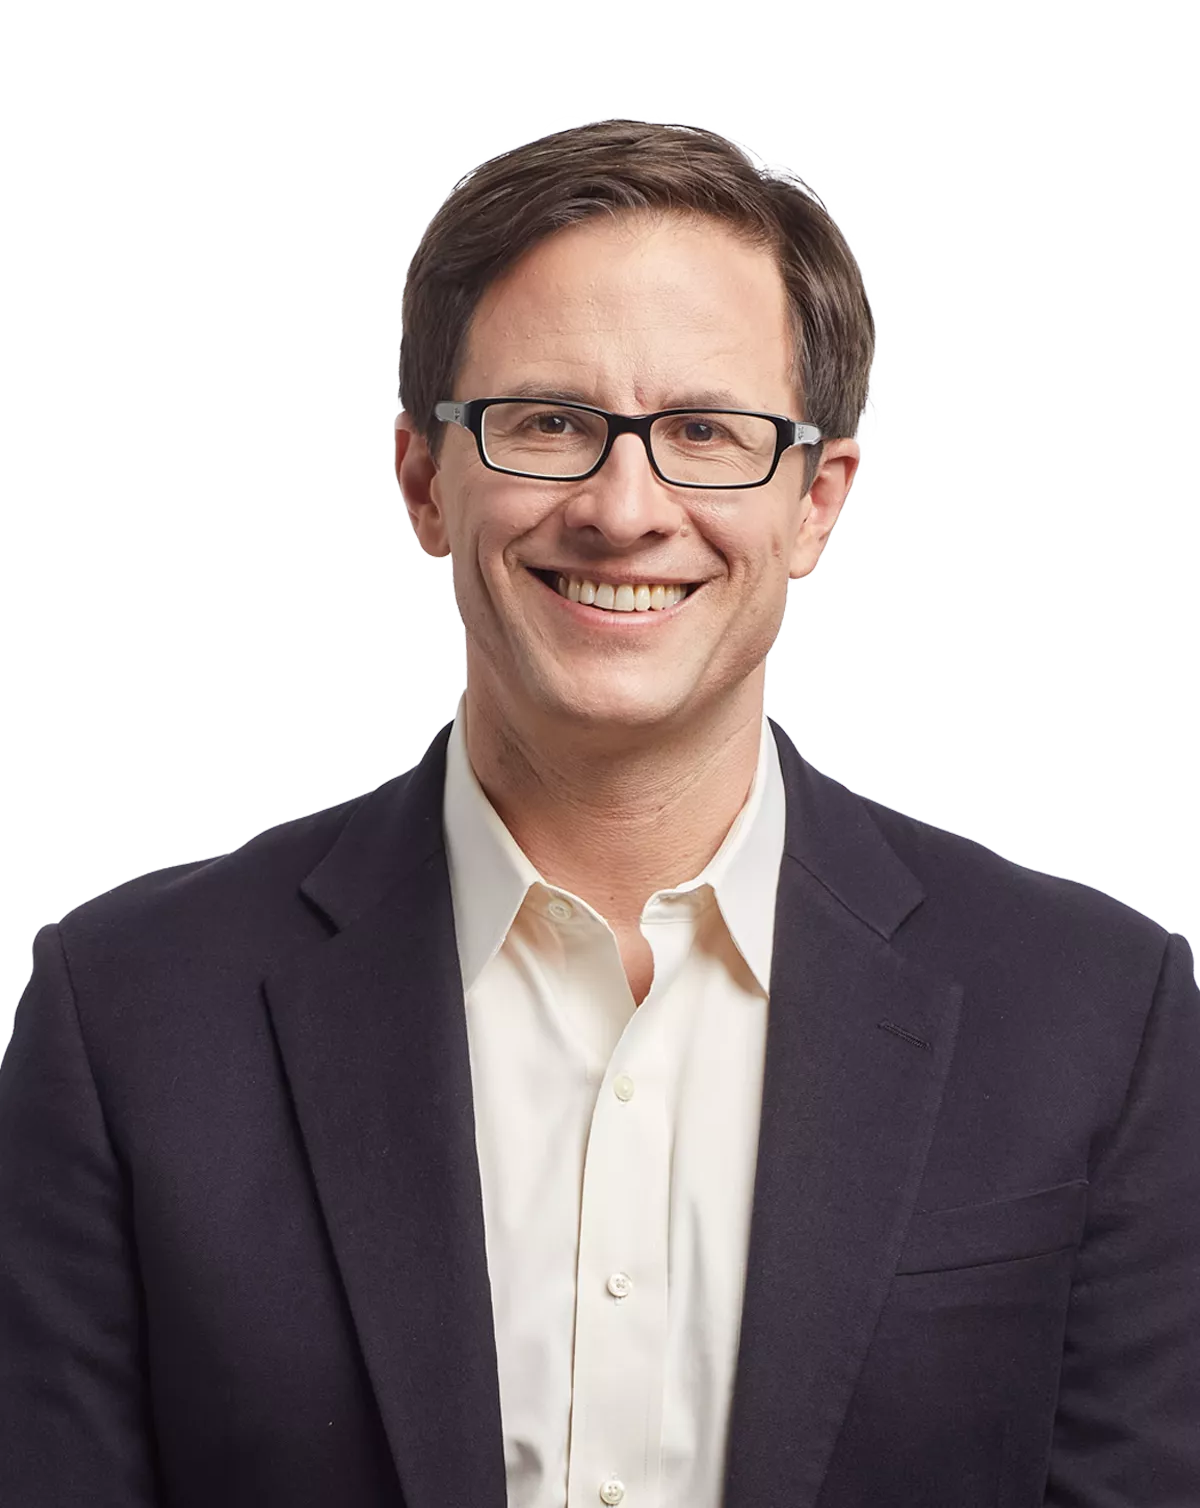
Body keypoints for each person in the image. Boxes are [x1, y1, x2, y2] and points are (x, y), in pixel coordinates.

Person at [1, 117, 1196, 1508]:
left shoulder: (1096, 1018)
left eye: (706, 432)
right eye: (550, 423)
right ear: (422, 479)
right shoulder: (129, 1012)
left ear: (817, 504)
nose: (626, 509)